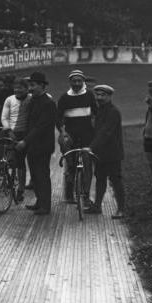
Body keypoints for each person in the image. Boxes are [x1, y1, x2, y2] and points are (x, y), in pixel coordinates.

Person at [16, 72, 56, 215]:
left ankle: (45, 206)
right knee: (35, 175)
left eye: (33, 85)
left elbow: (41, 126)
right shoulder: (33, 101)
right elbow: (29, 124)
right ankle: (40, 201)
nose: (30, 89)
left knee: (42, 175)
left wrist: (25, 141)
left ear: (42, 86)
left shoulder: (48, 103)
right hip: (32, 145)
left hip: (43, 145)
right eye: (30, 86)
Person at [56, 69, 97, 206]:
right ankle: (69, 194)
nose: (77, 83)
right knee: (70, 163)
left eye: (79, 81)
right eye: (74, 81)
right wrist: (62, 131)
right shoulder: (64, 98)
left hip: (87, 134)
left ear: (83, 81)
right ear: (70, 82)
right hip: (71, 134)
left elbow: (96, 114)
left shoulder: (89, 95)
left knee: (87, 163)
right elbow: (58, 118)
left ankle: (86, 196)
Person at [87, 85, 127, 218]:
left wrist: (91, 147)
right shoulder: (100, 111)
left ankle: (121, 209)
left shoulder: (113, 112)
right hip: (100, 153)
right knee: (100, 179)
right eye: (97, 95)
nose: (99, 98)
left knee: (116, 180)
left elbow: (106, 132)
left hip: (112, 153)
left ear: (109, 96)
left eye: (103, 95)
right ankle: (97, 206)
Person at [1, 77, 32, 202]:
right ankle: (8, 179)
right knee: (9, 158)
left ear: (27, 88)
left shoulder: (31, 99)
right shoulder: (9, 99)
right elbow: (4, 117)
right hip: (12, 133)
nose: (17, 90)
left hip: (26, 134)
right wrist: (8, 130)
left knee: (21, 163)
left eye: (20, 88)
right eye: (15, 88)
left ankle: (21, 190)